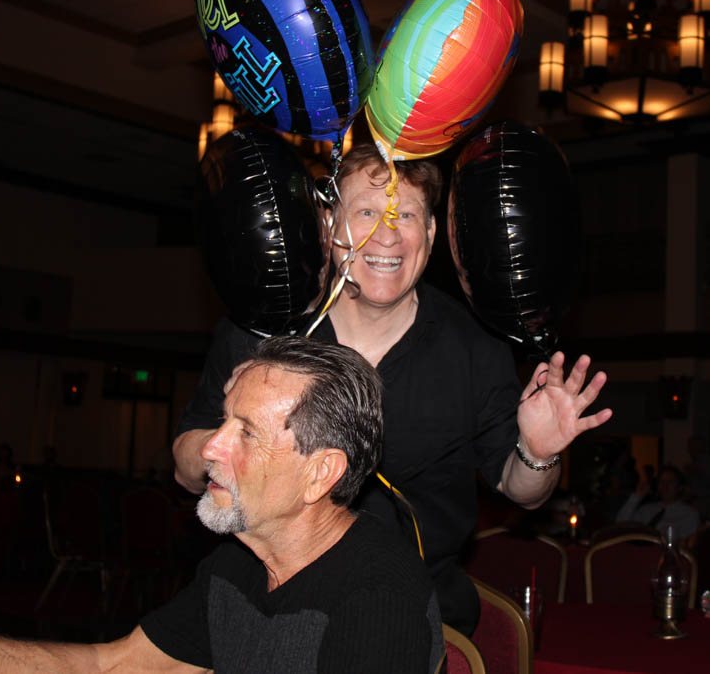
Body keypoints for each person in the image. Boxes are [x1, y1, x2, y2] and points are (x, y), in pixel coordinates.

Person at [174, 143, 612, 634]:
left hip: (417, 621)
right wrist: (223, 451)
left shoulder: (475, 347)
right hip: (264, 610)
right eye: (366, 211)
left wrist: (537, 451)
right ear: (329, 224)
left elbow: (523, 491)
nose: (387, 235)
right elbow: (187, 464)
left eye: (405, 214)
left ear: (429, 234)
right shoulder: (262, 329)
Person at [0, 336, 443, 674]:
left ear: (320, 473)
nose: (210, 451)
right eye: (222, 422)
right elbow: (114, 665)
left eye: (244, 432)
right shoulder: (236, 567)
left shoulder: (378, 598)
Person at [616, 464, 701, 541]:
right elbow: (621, 524)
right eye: (661, 481)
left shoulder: (690, 514)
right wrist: (636, 496)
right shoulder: (647, 510)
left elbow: (687, 543)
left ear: (679, 487)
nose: (665, 486)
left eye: (670, 481)